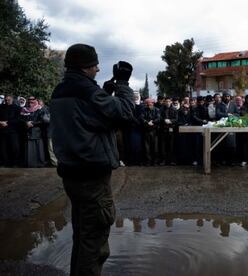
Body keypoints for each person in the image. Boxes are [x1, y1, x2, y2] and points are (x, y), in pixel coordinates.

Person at [50, 43, 134, 276]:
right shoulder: (87, 92)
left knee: (83, 234)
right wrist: (124, 84)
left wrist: (105, 93)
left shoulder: (60, 90)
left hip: (72, 173)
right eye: (95, 64)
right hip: (91, 176)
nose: (98, 68)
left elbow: (87, 120)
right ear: (85, 67)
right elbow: (125, 114)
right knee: (94, 242)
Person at [21, 96, 48, 167]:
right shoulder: (24, 109)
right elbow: (21, 119)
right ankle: (30, 163)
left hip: (37, 132)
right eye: (29, 101)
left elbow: (43, 120)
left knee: (38, 147)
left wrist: (33, 123)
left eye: (32, 101)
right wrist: (26, 123)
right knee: (29, 148)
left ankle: (39, 163)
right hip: (27, 131)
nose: (31, 102)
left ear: (36, 101)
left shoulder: (40, 109)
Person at [0, 94, 21, 167]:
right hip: (2, 130)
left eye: (9, 100)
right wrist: (0, 122)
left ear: (12, 99)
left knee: (15, 147)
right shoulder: (1, 107)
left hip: (13, 131)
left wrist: (7, 122)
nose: (7, 101)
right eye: (6, 100)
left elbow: (18, 119)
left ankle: (15, 163)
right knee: (3, 148)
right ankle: (5, 162)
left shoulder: (17, 108)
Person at [141, 98, 161, 165]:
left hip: (154, 130)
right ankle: (148, 161)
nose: (149, 105)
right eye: (148, 104)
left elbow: (158, 118)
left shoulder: (157, 110)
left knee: (155, 147)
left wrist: (152, 121)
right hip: (146, 130)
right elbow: (141, 118)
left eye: (150, 104)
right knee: (147, 148)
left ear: (153, 103)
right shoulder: (143, 110)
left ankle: (155, 161)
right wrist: (147, 122)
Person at [159, 97, 178, 165]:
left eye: (169, 101)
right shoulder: (161, 109)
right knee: (163, 146)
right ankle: (163, 160)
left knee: (171, 145)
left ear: (171, 102)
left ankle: (171, 160)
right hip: (163, 129)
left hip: (171, 129)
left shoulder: (174, 109)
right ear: (164, 102)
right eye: (166, 101)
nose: (167, 103)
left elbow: (176, 119)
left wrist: (170, 121)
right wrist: (164, 120)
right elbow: (159, 117)